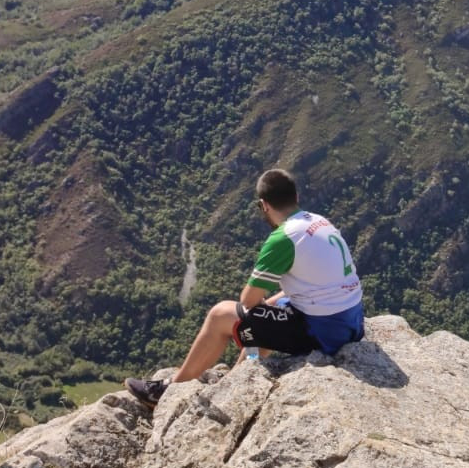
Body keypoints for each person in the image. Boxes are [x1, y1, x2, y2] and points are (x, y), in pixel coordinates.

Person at [125, 168, 364, 408]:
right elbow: (311, 289)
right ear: (296, 197)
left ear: (264, 205)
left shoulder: (284, 238)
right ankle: (238, 378)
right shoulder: (320, 221)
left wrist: (260, 309)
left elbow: (249, 301)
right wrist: (268, 307)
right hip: (350, 322)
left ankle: (169, 392)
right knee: (271, 310)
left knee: (222, 314)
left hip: (323, 333)